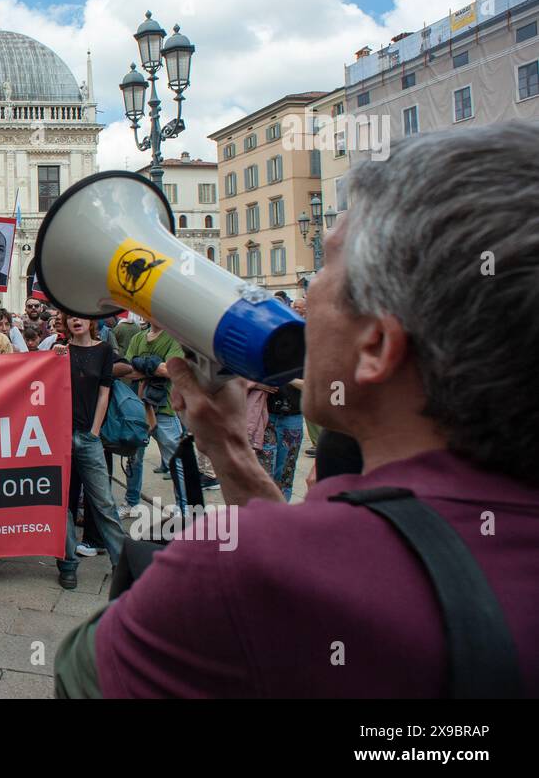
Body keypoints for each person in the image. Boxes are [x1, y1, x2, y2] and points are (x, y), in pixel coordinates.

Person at [55, 123, 539, 698]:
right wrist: (234, 455)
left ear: (377, 347)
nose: (303, 299)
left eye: (326, 267)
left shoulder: (243, 572)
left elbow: (80, 673)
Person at [56, 315, 127, 588]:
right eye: (70, 317)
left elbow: (104, 392)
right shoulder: (60, 351)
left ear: (91, 322)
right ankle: (68, 563)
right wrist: (53, 355)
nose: (76, 321)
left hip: (88, 436)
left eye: (81, 316)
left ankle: (122, 563)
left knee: (104, 502)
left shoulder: (104, 350)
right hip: (60, 437)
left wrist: (95, 432)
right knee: (63, 504)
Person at [117, 319, 190, 515]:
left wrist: (142, 364)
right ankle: (131, 502)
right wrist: (155, 365)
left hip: (165, 407)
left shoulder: (174, 338)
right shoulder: (138, 337)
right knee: (134, 459)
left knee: (176, 460)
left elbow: (170, 370)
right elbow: (128, 371)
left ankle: (184, 509)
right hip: (138, 409)